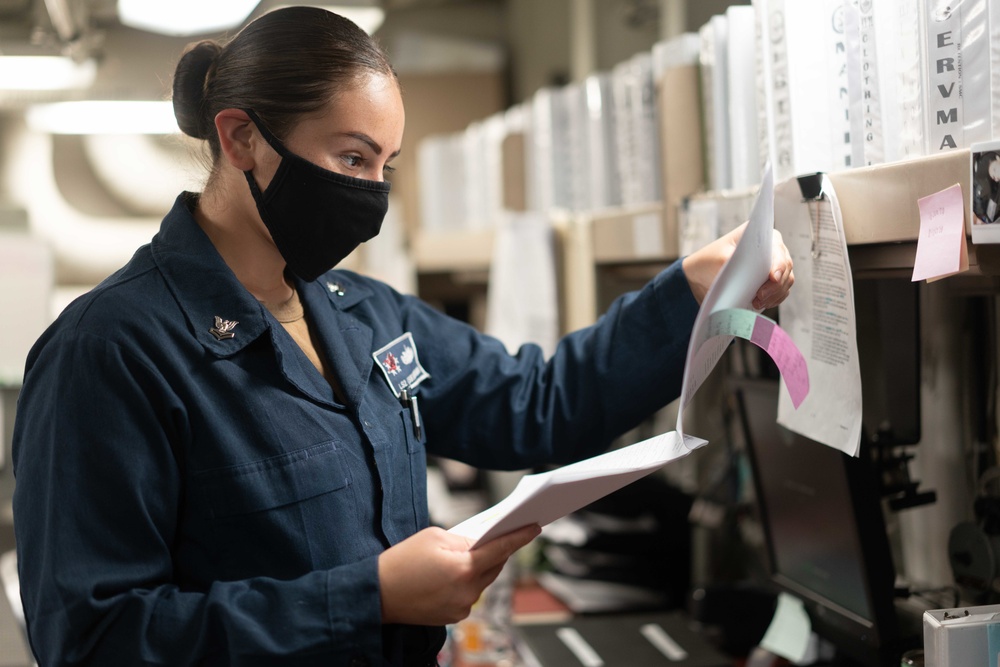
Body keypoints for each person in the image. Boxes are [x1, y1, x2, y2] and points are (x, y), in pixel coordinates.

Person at [11, 6, 793, 666]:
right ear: (240, 137)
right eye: (350, 156)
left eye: (384, 164)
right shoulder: (110, 352)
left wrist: (686, 293)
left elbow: (539, 403)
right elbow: (93, 637)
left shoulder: (363, 314)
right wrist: (370, 595)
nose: (371, 194)